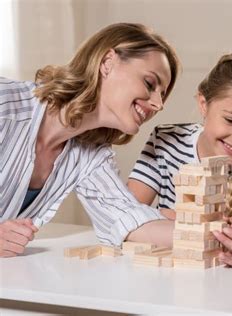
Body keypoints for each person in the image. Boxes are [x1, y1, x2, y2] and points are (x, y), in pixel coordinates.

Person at [0, 22, 180, 258]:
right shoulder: (5, 104)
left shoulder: (91, 154)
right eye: (149, 83)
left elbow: (128, 219)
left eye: (163, 94)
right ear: (107, 63)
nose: (158, 104)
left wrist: (217, 237)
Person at [127, 50, 232, 266]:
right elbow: (127, 210)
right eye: (231, 120)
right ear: (204, 104)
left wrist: (174, 218)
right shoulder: (166, 141)